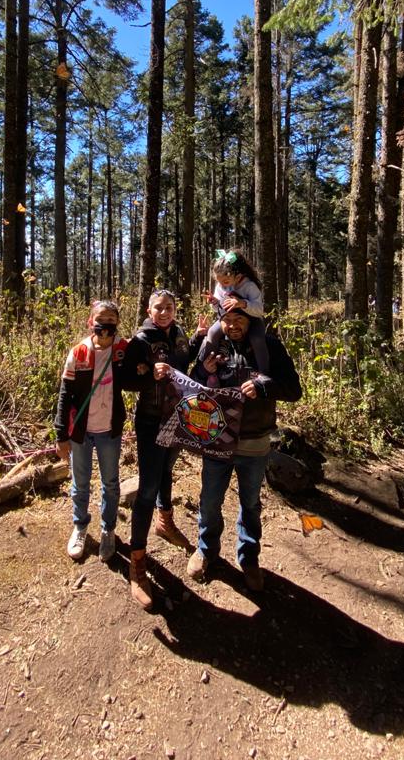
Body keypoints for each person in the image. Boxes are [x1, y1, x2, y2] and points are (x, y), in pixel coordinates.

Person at [187, 306, 302, 592]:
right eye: (227, 319)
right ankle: (206, 550)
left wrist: (263, 387)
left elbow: (294, 390)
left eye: (240, 319)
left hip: (255, 441)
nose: (233, 325)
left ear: (251, 320)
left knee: (250, 504)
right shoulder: (213, 344)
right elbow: (193, 386)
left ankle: (249, 559)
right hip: (217, 441)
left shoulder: (269, 345)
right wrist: (203, 369)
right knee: (210, 501)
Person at [121, 289, 207, 609]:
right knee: (146, 489)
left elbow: (184, 360)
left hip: (178, 418)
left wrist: (198, 338)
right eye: (159, 307)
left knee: (166, 471)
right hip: (150, 421)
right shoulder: (141, 340)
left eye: (169, 307)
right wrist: (150, 378)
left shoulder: (180, 334)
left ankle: (165, 521)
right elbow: (126, 379)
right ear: (149, 308)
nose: (165, 312)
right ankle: (137, 563)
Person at [54, 300, 128, 563]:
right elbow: (65, 395)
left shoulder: (124, 349)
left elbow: (136, 379)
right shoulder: (79, 352)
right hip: (81, 431)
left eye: (110, 318)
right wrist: (61, 435)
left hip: (109, 429)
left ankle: (108, 530)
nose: (105, 323)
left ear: (117, 323)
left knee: (110, 483)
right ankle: (80, 527)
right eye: (100, 318)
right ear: (90, 321)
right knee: (80, 484)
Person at [204, 249, 269, 375]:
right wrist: (214, 302)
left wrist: (242, 303)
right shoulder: (221, 286)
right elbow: (219, 309)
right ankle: (207, 368)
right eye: (219, 281)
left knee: (256, 338)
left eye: (226, 282)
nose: (222, 285)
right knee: (212, 332)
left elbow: (259, 310)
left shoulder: (249, 286)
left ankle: (264, 374)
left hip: (253, 319)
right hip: (227, 320)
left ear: (238, 276)